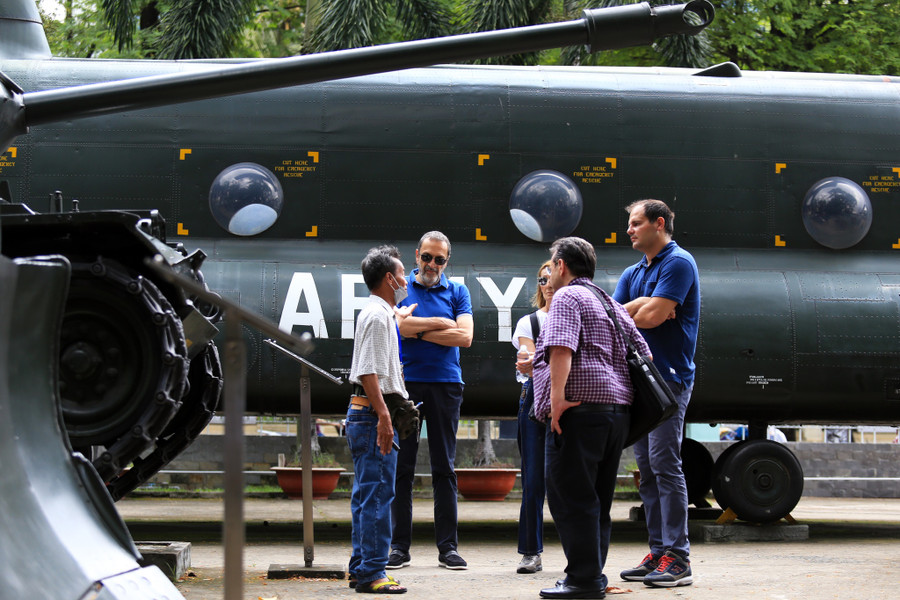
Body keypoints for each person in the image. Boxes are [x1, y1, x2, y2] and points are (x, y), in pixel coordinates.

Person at [532, 237, 651, 600]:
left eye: (551, 264)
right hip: (615, 416)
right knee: (595, 499)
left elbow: (561, 346)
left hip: (580, 412)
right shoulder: (610, 303)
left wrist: (556, 401)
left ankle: (582, 580)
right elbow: (644, 354)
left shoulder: (568, 297)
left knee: (570, 498)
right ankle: (591, 575)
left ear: (562, 266)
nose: (549, 272)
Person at [612, 199, 700, 588]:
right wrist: (647, 306)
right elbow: (613, 317)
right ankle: (659, 550)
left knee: (666, 464)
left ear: (658, 223)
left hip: (669, 380)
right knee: (646, 471)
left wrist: (647, 309)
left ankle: (678, 559)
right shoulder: (635, 271)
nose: (629, 230)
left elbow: (647, 318)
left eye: (635, 223)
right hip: (638, 380)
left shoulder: (679, 263)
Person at [388, 231, 474, 570]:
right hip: (405, 386)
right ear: (416, 255)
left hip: (446, 386)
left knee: (444, 468)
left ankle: (448, 549)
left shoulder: (459, 290)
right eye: (427, 257)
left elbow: (465, 337)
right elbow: (399, 328)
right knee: (402, 469)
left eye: (439, 259)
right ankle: (399, 548)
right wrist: (440, 324)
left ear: (446, 261)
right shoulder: (400, 288)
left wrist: (417, 328)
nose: (432, 264)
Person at [346, 245, 416, 594]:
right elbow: (368, 370)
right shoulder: (377, 316)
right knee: (377, 497)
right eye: (402, 273)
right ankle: (374, 572)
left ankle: (361, 568)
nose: (407, 278)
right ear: (389, 278)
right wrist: (385, 417)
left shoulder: (380, 313)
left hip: (364, 413)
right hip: (373, 413)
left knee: (366, 496)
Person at [510, 260, 554, 575]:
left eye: (553, 277)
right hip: (534, 401)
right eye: (541, 278)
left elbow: (533, 362)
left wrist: (538, 361)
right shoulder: (530, 322)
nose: (547, 283)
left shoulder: (578, 315)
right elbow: (525, 362)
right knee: (533, 480)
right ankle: (530, 552)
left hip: (571, 401)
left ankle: (581, 554)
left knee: (571, 482)